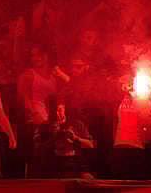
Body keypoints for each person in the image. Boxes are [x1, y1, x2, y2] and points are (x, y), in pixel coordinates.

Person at [18, 43, 61, 176]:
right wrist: (34, 113)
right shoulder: (29, 74)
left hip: (49, 123)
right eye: (32, 55)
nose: (34, 58)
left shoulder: (53, 78)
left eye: (37, 54)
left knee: (48, 158)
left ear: (46, 56)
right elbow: (22, 96)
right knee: (33, 157)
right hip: (34, 122)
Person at [35, 95, 94, 177]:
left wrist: (76, 138)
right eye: (52, 111)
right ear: (46, 110)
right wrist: (54, 139)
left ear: (64, 107)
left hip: (76, 167)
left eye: (59, 110)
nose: (57, 114)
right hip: (51, 169)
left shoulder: (76, 123)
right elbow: (37, 149)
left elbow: (90, 145)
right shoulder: (43, 127)